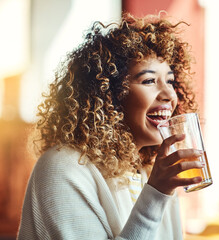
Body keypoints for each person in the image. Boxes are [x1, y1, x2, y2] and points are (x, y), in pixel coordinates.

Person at [18, 13, 205, 240]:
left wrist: (159, 189)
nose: (169, 95)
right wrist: (156, 194)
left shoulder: (146, 172)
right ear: (109, 95)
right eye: (148, 80)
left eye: (170, 81)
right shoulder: (62, 168)